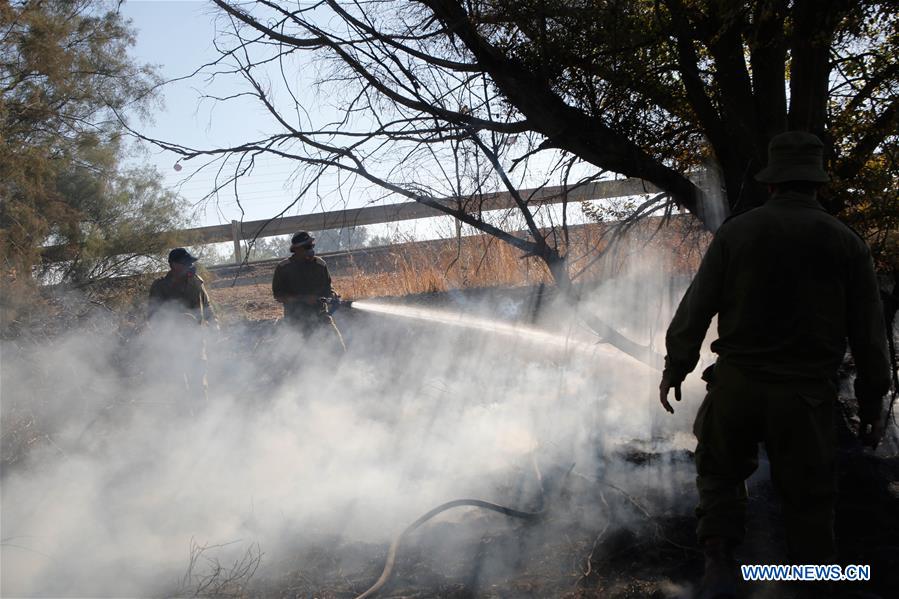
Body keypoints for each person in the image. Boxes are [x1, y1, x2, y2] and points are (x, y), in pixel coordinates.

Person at [658, 131, 891, 597]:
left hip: (737, 386)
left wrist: (676, 367)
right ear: (817, 184)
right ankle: (807, 584)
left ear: (771, 183)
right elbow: (870, 336)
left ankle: (721, 567)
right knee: (809, 500)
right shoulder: (847, 242)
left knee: (720, 475)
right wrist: (872, 402)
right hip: (804, 397)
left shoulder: (737, 233)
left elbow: (696, 306)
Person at [148, 247, 217, 402]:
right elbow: (153, 317)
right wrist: (177, 320)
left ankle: (202, 419)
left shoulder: (196, 282)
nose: (189, 266)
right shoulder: (160, 287)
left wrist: (215, 327)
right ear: (173, 265)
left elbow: (208, 308)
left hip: (196, 341)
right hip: (171, 344)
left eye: (189, 263)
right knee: (177, 385)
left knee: (199, 384)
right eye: (185, 263)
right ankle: (181, 420)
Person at [272, 231, 346, 353]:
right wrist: (303, 299)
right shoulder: (283, 268)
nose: (311, 249)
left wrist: (333, 295)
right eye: (307, 247)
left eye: (312, 246)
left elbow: (328, 288)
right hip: (295, 321)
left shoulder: (320, 265)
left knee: (338, 351)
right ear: (296, 249)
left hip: (321, 317)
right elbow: (278, 296)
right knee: (298, 358)